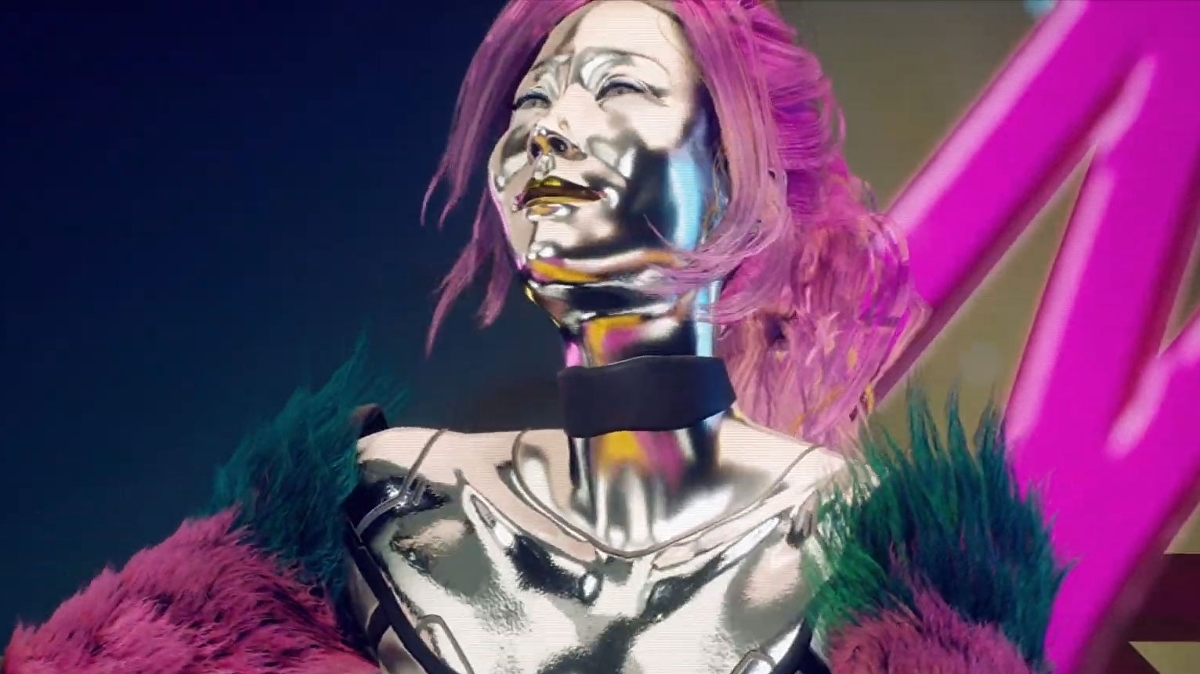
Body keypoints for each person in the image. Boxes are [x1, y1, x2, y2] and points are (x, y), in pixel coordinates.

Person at [3, 2, 1064, 673]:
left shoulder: (871, 558)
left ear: (739, 171)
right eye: (529, 104)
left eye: (619, 86)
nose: (545, 130)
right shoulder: (371, 509)